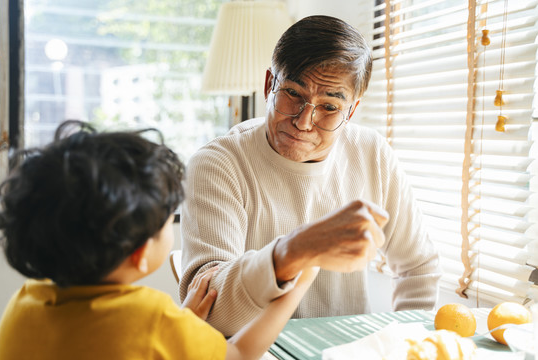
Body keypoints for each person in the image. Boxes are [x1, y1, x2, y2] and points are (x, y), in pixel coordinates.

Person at [180, 15, 441, 337]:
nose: (304, 121)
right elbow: (209, 315)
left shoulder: (372, 153)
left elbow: (418, 267)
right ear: (268, 86)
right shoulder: (217, 164)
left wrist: (408, 343)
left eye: (329, 107)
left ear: (351, 111)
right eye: (293, 93)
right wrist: (293, 251)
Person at [0, 120, 319, 360]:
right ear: (140, 252)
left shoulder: (23, 304)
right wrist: (298, 285)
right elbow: (238, 353)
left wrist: (183, 325)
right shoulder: (151, 320)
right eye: (168, 220)